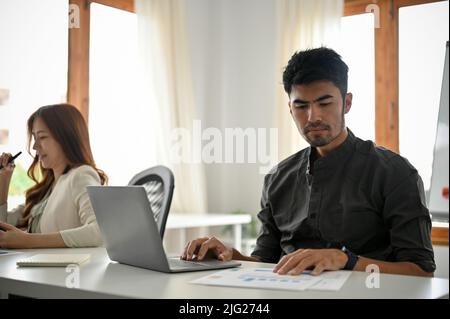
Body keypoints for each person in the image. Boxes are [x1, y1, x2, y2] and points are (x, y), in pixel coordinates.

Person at [181, 47, 435, 277]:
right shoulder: (278, 177)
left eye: (325, 103)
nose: (313, 117)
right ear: (290, 109)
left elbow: (420, 271)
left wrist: (346, 260)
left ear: (347, 103)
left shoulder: (395, 173)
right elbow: (264, 261)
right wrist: (228, 255)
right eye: (301, 106)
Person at [0, 104, 107, 248]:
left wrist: (28, 240)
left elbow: (99, 231)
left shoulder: (81, 175)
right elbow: (3, 230)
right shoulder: (46, 190)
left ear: (66, 138)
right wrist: (4, 179)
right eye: (34, 137)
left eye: (42, 137)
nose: (35, 146)